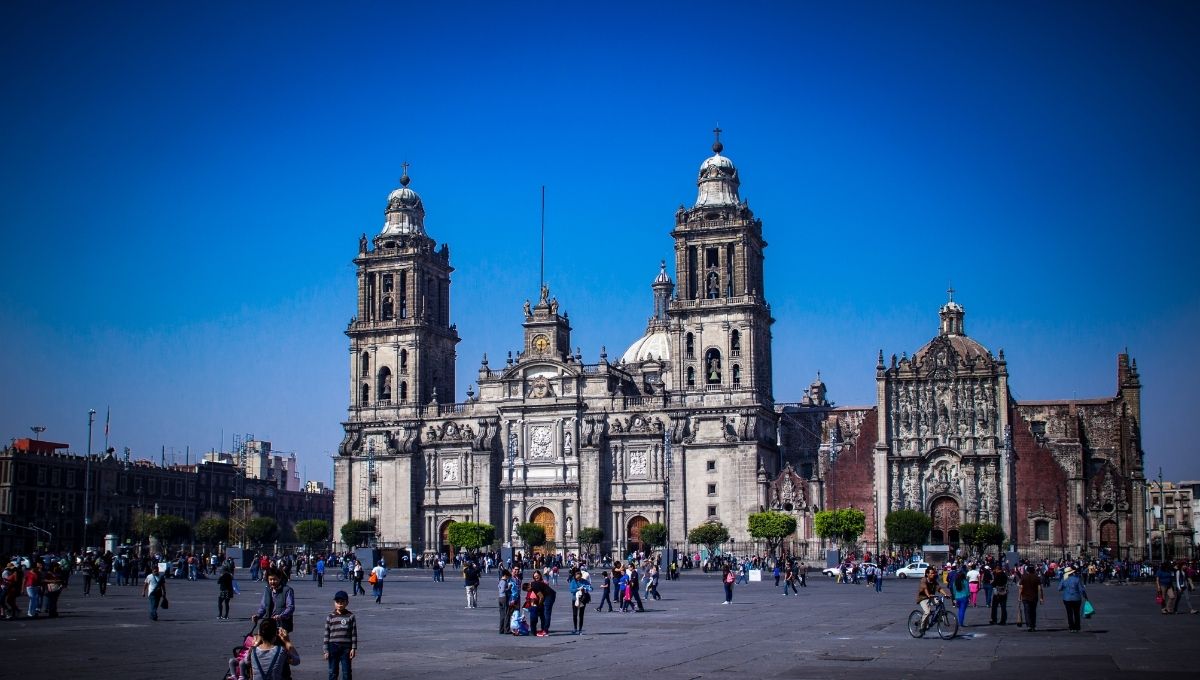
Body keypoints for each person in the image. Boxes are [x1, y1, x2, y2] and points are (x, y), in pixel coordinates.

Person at [323, 590, 357, 680]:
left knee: (347, 672)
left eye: (342, 602)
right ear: (334, 603)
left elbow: (353, 633)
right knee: (333, 672)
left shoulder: (350, 616)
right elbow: (326, 634)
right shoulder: (330, 616)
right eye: (337, 602)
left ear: (347, 603)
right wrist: (326, 650)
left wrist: (353, 648)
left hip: (346, 648)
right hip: (333, 647)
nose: (339, 604)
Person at [253, 568, 296, 634]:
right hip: (269, 623)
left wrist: (281, 616)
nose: (272, 581)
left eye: (275, 579)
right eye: (270, 579)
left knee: (281, 643)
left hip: (282, 625)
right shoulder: (267, 589)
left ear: (280, 578)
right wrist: (258, 615)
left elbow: (290, 607)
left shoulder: (287, 590)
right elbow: (263, 606)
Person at [1058, 565, 1087, 632]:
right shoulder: (1077, 579)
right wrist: (1085, 596)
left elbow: (1059, 588)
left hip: (1067, 599)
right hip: (1076, 598)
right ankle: (1077, 627)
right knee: (1076, 613)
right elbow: (1081, 590)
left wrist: (1064, 587)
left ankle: (1071, 627)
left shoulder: (1064, 579)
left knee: (1069, 613)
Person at [529, 570, 556, 635]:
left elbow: (541, 596)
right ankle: (543, 629)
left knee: (546, 613)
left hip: (547, 597)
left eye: (537, 576)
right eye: (534, 576)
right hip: (543, 599)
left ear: (540, 575)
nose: (536, 577)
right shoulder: (533, 583)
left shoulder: (536, 584)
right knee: (543, 614)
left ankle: (545, 630)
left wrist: (538, 604)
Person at [1018, 564, 1044, 631]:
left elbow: (1021, 587)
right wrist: (1041, 597)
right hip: (1034, 597)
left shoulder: (1024, 577)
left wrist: (1019, 596)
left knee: (1027, 611)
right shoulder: (1036, 577)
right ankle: (1033, 625)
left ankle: (1029, 625)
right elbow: (1040, 588)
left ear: (1027, 570)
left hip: (1025, 597)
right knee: (1033, 611)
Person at [567, 567, 592, 634]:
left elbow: (591, 588)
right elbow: (571, 590)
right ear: (575, 576)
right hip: (575, 599)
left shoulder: (584, 581)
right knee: (575, 614)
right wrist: (578, 589)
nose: (578, 579)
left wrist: (585, 588)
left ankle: (580, 629)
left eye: (579, 577)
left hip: (583, 599)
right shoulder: (573, 581)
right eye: (577, 578)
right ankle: (575, 628)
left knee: (581, 614)